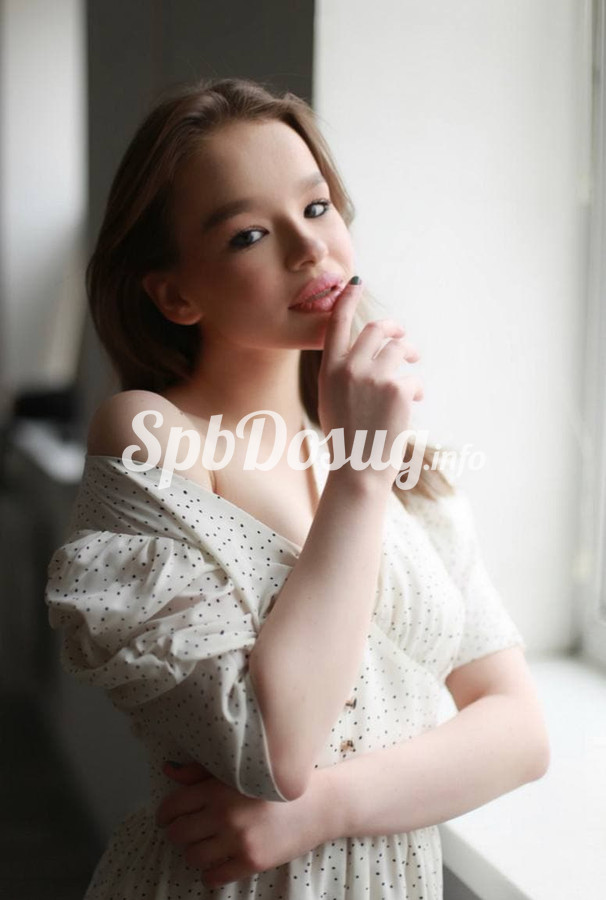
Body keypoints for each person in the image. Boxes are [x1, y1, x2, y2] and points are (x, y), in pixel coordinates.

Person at [45, 76, 550, 900]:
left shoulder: (406, 469)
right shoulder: (155, 435)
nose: (310, 248)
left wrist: (322, 810)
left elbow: (520, 731)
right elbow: (274, 749)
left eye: (317, 208)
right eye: (249, 234)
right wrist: (358, 475)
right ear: (175, 293)